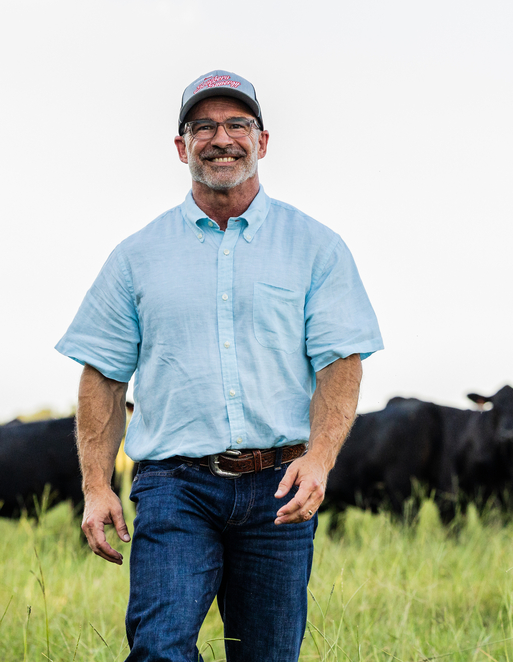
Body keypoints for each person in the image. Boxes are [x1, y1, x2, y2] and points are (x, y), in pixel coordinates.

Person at [56, 70, 383, 662]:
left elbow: (342, 362)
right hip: (174, 486)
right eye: (203, 126)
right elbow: (102, 374)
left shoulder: (316, 247)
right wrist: (97, 484)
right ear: (182, 147)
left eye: (237, 124)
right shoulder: (137, 256)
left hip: (280, 486)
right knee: (158, 650)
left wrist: (320, 458)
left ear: (262, 140)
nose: (221, 138)